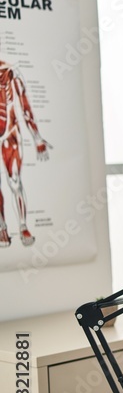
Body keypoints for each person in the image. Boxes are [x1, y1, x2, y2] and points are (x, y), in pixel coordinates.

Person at [0, 37, 50, 247]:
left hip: (10, 133)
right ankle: (2, 227)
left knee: (15, 182)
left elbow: (25, 106)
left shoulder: (11, 74)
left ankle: (22, 226)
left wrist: (37, 138)